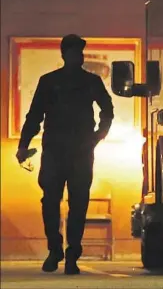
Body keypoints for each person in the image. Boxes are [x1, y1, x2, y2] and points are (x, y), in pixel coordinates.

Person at [15, 34, 114, 275]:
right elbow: (35, 115)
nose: (77, 57)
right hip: (55, 152)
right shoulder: (49, 82)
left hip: (80, 151)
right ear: (64, 54)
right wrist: (23, 145)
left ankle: (72, 254)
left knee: (78, 204)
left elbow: (107, 110)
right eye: (73, 52)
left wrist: (97, 136)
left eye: (80, 53)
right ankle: (55, 249)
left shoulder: (91, 81)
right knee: (50, 202)